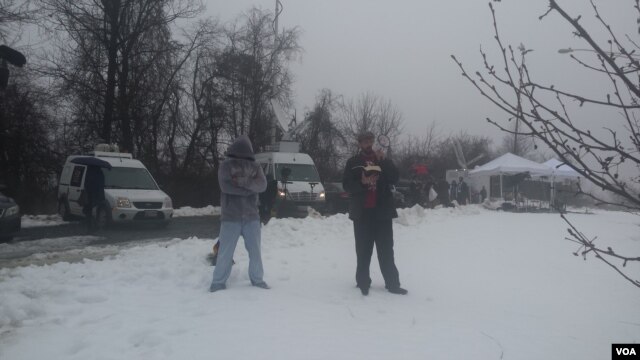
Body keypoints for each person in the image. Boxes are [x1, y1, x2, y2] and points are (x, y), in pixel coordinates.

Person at [343, 131, 407, 296]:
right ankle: (363, 282)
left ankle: (392, 284)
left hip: (382, 213)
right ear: (359, 143)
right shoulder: (353, 162)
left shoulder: (383, 160)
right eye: (365, 141)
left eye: (370, 140)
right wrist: (362, 183)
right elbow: (346, 185)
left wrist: (384, 161)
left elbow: (394, 178)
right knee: (363, 250)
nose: (368, 143)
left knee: (386, 250)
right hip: (362, 213)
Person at [209, 135, 268, 292]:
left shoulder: (255, 166)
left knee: (255, 251)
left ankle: (257, 279)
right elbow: (226, 187)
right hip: (231, 216)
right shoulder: (226, 166)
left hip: (252, 217)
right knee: (225, 252)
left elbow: (262, 185)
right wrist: (250, 187)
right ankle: (218, 282)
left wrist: (242, 182)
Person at [83, 165, 105, 232]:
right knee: (96, 212)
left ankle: (90, 226)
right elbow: (101, 185)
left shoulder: (88, 172)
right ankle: (96, 225)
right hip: (97, 196)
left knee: (89, 212)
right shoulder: (100, 173)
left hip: (90, 195)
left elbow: (86, 184)